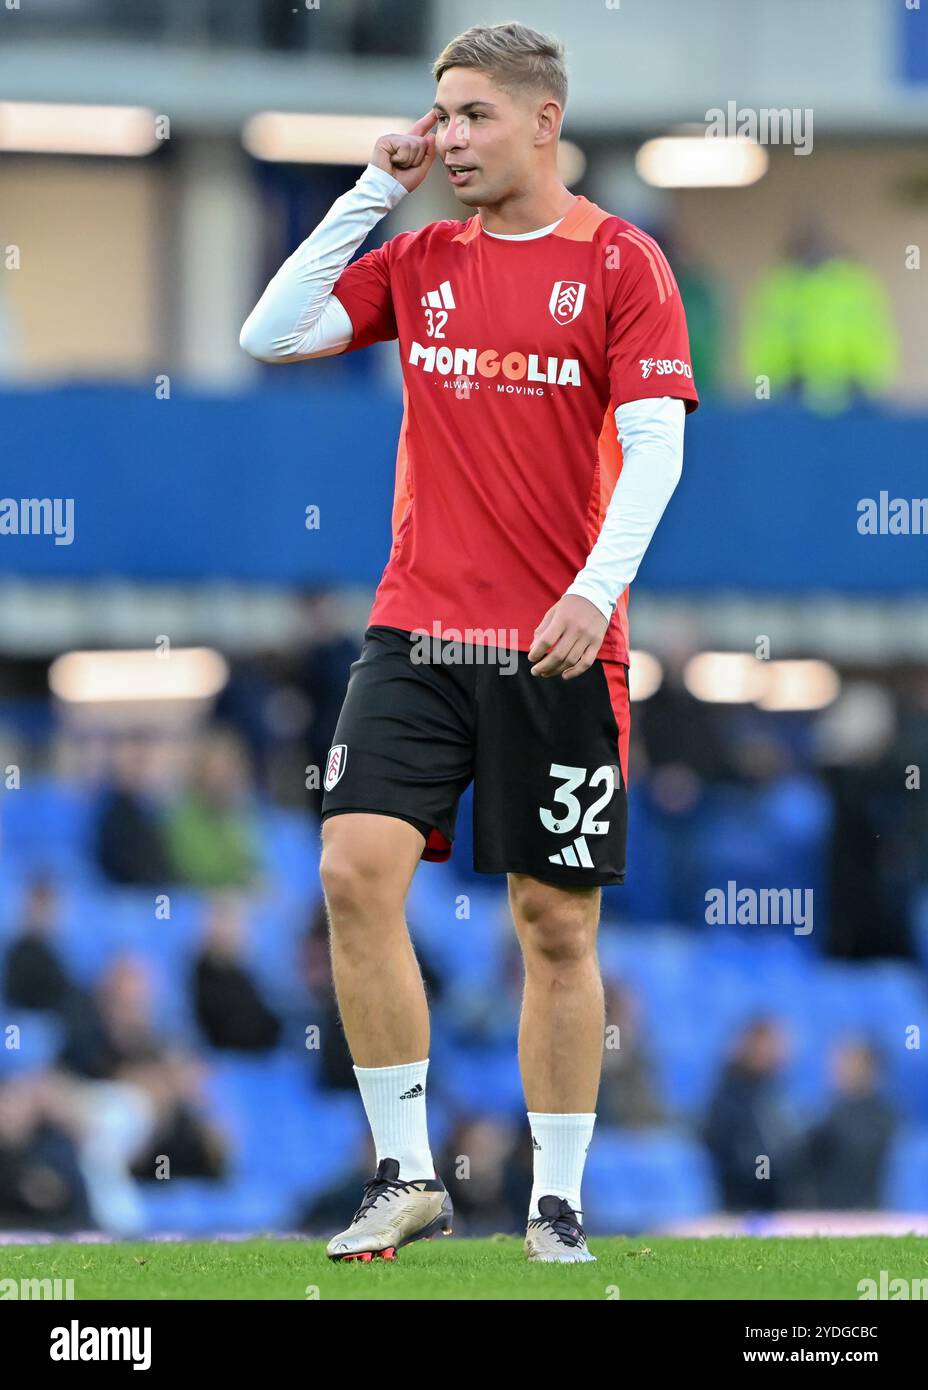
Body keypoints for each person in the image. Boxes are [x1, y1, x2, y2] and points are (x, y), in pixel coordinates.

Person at [241, 21, 697, 1265]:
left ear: (543, 122)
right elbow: (270, 335)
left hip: (559, 643)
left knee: (552, 924)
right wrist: (369, 189)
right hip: (416, 627)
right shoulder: (423, 254)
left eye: (472, 115)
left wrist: (596, 593)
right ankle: (405, 1174)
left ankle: (553, 1199)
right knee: (350, 872)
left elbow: (656, 448)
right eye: (438, 114)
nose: (448, 137)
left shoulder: (620, 264)